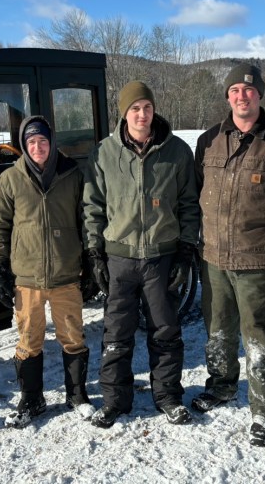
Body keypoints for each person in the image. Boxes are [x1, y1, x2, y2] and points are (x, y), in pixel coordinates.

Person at [191, 63, 265, 447]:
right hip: (214, 258)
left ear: (260, 95)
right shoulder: (208, 140)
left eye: (249, 90)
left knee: (259, 337)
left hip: (257, 258)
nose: (242, 95)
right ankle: (222, 385)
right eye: (235, 89)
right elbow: (196, 194)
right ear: (227, 96)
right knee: (217, 331)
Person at [83, 80, 200, 428]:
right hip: (119, 259)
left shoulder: (177, 151)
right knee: (116, 334)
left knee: (165, 331)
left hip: (161, 257)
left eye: (147, 107)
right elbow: (93, 206)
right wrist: (95, 252)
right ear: (124, 113)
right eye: (135, 108)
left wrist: (185, 250)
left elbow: (189, 205)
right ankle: (115, 401)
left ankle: (167, 396)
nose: (142, 114)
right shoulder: (104, 153)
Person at [0, 115, 96, 428]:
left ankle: (77, 395)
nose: (38, 147)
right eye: (32, 142)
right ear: (24, 145)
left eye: (43, 141)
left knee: (73, 337)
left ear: (52, 142)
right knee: (29, 341)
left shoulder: (73, 175)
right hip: (27, 278)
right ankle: (31, 399)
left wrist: (90, 262)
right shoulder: (10, 179)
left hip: (65, 274)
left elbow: (86, 220)